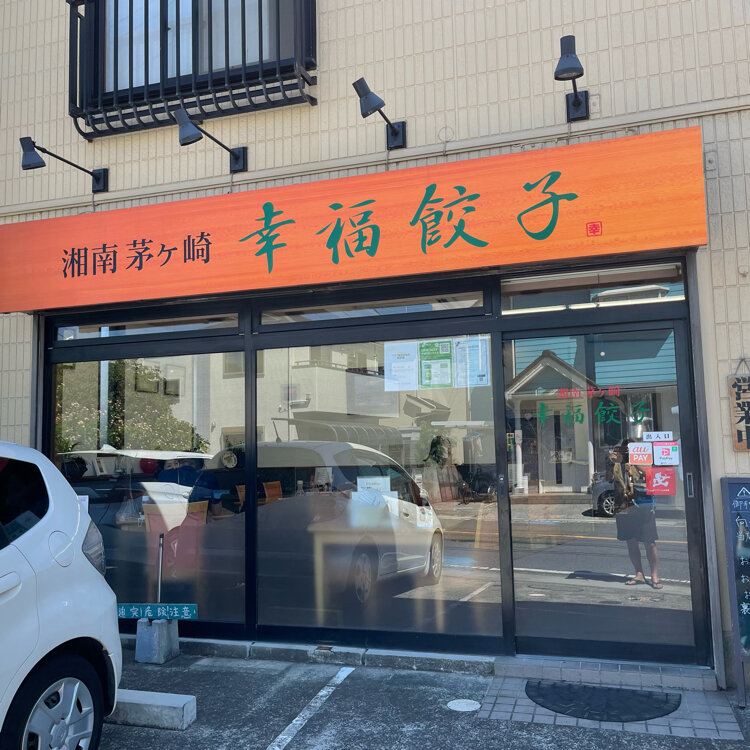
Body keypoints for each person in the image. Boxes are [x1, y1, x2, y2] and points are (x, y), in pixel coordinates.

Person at [610, 440, 662, 589]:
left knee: (649, 542)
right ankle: (639, 573)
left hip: (644, 503)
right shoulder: (618, 462)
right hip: (625, 505)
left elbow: (650, 473)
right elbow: (609, 479)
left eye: (630, 449)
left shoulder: (643, 459)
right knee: (631, 541)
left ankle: (655, 575)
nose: (627, 451)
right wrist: (611, 463)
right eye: (625, 449)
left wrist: (635, 460)